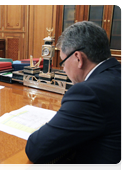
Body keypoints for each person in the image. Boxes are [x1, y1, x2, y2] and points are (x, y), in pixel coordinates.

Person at [25, 21, 123, 170]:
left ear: (78, 58)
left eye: (63, 62)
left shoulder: (88, 93)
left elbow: (36, 149)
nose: (63, 69)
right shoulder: (118, 73)